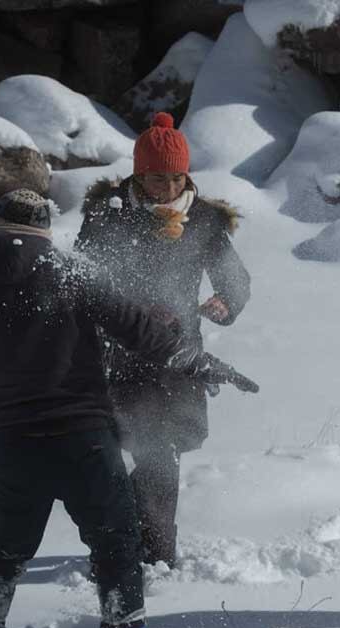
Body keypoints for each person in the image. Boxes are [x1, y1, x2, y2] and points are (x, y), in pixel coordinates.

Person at [0, 189, 195, 628]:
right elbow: (139, 330)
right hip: (86, 441)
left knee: (3, 554)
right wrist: (186, 352)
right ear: (45, 233)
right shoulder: (73, 273)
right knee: (116, 545)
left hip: (11, 444)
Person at [74, 111, 251, 568]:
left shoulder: (204, 220)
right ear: (138, 173)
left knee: (169, 445)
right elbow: (83, 281)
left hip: (181, 356)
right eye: (155, 178)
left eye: (175, 178)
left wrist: (225, 304)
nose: (166, 188)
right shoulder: (107, 217)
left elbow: (236, 280)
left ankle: (141, 544)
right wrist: (129, 308)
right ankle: (147, 553)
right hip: (121, 353)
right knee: (143, 449)